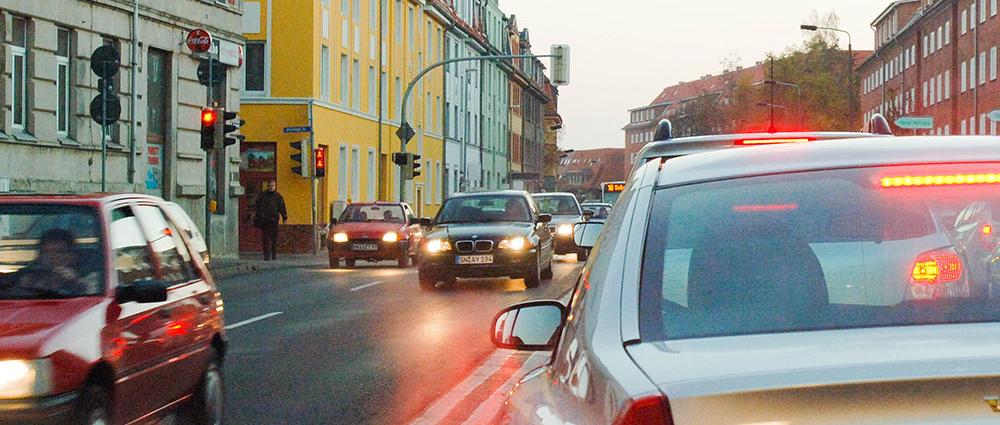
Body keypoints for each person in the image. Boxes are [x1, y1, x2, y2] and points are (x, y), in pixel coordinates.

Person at [1, 229, 88, 296]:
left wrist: (75, 282)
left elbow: (92, 298)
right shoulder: (27, 275)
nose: (52, 257)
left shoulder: (92, 276)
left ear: (73, 255)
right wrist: (23, 286)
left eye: (60, 252)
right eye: (46, 252)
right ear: (39, 255)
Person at [254, 180, 288, 260]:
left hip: (274, 220)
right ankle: (266, 256)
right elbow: (258, 207)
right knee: (265, 238)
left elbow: (282, 207)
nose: (271, 187)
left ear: (275, 186)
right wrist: (258, 217)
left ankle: (274, 255)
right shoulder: (262, 196)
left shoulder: (278, 196)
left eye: (273, 186)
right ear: (267, 186)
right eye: (270, 186)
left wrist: (284, 217)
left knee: (274, 239)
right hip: (265, 220)